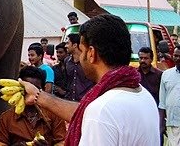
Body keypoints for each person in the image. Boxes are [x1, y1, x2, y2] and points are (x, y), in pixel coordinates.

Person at [21, 14, 159, 145]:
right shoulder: (142, 95)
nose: (80, 58)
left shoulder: (102, 110)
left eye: (81, 50)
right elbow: (84, 112)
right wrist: (38, 95)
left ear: (91, 53)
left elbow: (96, 114)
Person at [0, 65, 66, 146]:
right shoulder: (7, 117)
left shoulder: (54, 114)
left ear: (42, 90)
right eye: (27, 88)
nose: (30, 93)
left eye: (34, 89)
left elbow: (62, 142)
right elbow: (0, 143)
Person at [138, 46, 163, 145]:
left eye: (146, 58)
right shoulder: (134, 74)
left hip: (154, 113)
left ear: (151, 59)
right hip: (138, 114)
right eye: (141, 58)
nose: (143, 60)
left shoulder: (159, 75)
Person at [64, 33, 95, 102]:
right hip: (70, 100)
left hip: (86, 101)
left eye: (68, 43)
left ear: (75, 45)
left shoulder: (89, 61)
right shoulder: (67, 61)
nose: (65, 46)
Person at [159, 46, 180, 145]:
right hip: (172, 123)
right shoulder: (166, 74)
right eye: (175, 55)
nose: (178, 58)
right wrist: (161, 123)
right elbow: (162, 102)